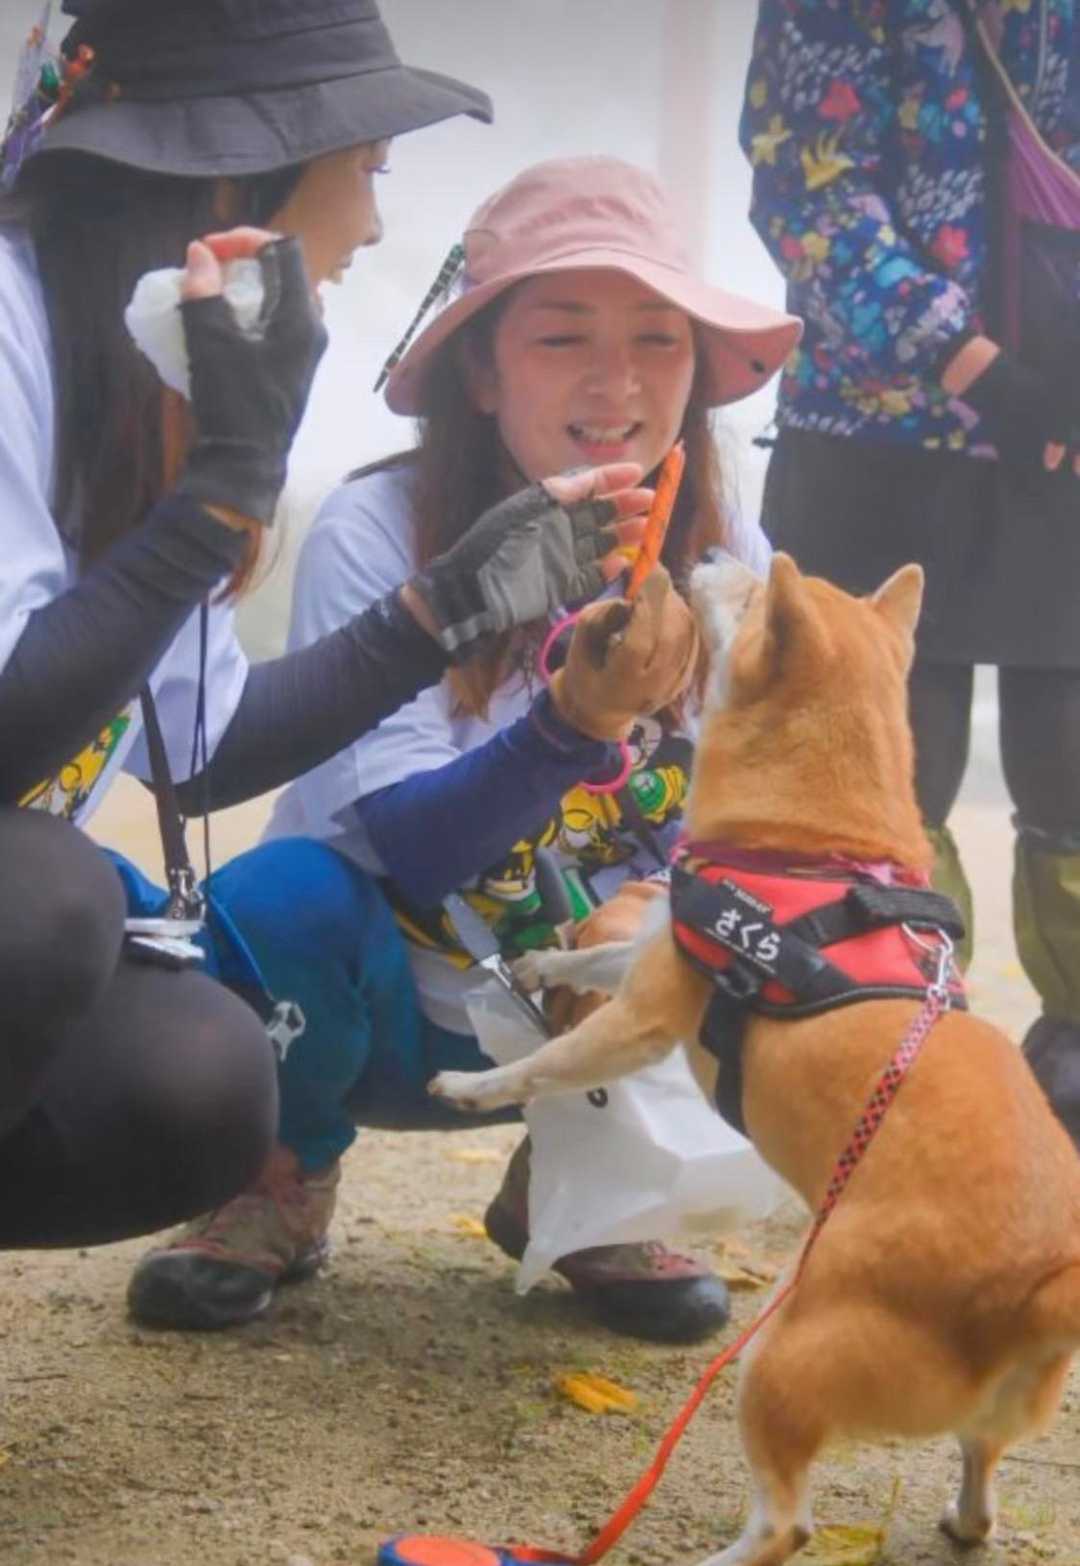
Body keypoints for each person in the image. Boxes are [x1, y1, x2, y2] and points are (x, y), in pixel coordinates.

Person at [0, 1, 647, 1258]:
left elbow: (207, 751)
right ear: (237, 181)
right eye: (368, 168)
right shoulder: (13, 326)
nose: (374, 224)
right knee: (42, 898)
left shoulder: (142, 377)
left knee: (196, 1081)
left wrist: (441, 608)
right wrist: (222, 491)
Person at [128, 155, 803, 1343]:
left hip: (581, 1007)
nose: (617, 381)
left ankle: (588, 1190)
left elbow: (759, 807)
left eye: (658, 341)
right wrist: (572, 728)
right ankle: (282, 1174)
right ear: (481, 372)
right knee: (280, 893)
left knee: (759, 913)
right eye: (562, 337)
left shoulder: (727, 546)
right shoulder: (381, 526)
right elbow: (413, 846)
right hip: (384, 1008)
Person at [740, 0, 1080, 1146]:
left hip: (1065, 424)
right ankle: (905, 1069)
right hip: (876, 440)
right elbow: (808, 192)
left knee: (1072, 764)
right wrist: (972, 364)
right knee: (887, 777)